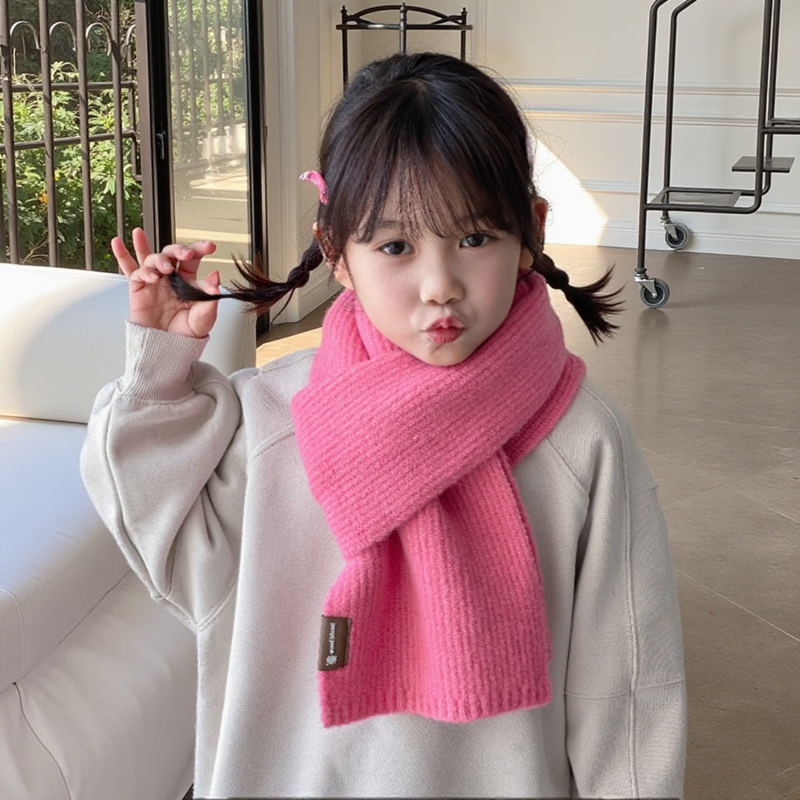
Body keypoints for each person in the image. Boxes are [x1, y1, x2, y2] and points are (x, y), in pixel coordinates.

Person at [81, 52, 687, 799]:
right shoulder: (272, 422)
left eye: (475, 238)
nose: (440, 286)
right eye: (396, 246)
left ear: (530, 230)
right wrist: (159, 371)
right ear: (336, 252)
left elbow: (627, 689)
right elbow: (160, 534)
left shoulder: (582, 439)